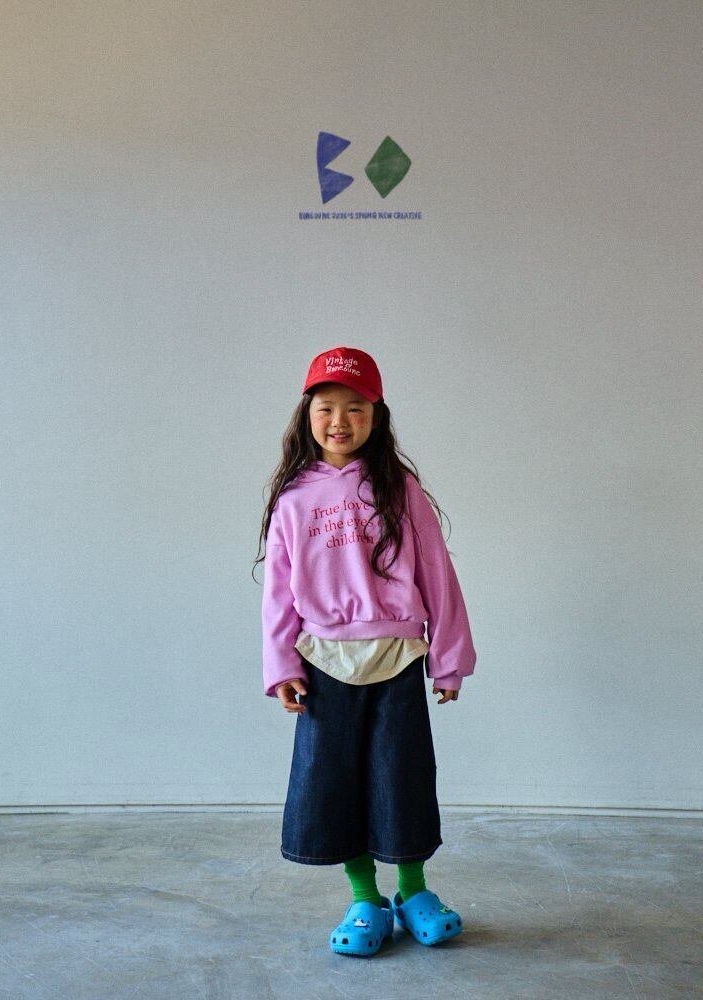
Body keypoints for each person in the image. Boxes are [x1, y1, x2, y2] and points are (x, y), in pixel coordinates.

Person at [256, 345, 477, 957]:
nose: (340, 421)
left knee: (401, 777)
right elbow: (278, 593)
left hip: (397, 658)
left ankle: (414, 892)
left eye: (356, 407)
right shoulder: (293, 499)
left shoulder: (400, 490)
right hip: (323, 663)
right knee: (335, 783)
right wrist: (281, 665)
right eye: (326, 407)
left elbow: (437, 575)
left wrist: (449, 658)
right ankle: (365, 899)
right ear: (306, 415)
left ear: (377, 415)